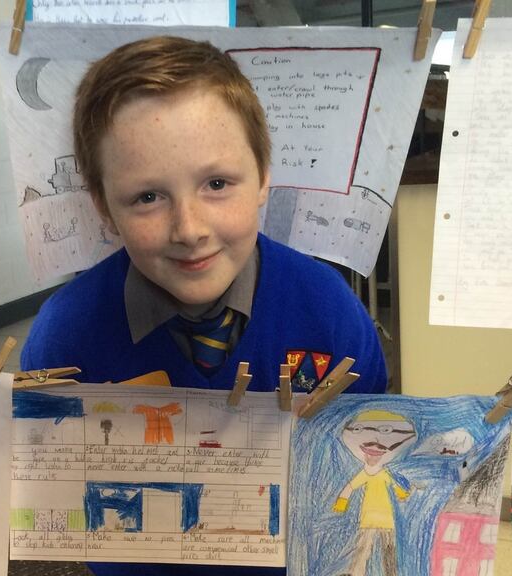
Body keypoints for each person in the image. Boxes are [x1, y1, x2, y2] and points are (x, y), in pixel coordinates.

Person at [21, 36, 387, 576]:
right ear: (103, 206)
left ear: (263, 178)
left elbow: (368, 447)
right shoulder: (65, 337)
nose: (189, 230)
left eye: (217, 183)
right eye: (147, 197)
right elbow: (48, 481)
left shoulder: (329, 314)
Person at [332, 410, 416, 576]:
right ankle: (357, 573)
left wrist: (405, 495)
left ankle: (390, 573)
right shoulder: (365, 473)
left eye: (377, 454)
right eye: (370, 453)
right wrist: (341, 504)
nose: (372, 458)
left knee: (388, 549)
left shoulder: (384, 473)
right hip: (369, 519)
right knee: (364, 548)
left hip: (386, 519)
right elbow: (349, 487)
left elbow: (396, 488)